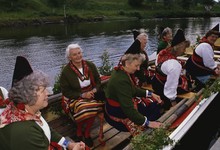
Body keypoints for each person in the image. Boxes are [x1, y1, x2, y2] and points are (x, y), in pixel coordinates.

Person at [0, 56, 85, 150]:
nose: (48, 93)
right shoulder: (25, 132)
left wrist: (68, 144)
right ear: (27, 95)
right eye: (43, 90)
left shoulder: (26, 111)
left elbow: (47, 130)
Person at [104, 44, 163, 136]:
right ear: (127, 63)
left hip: (119, 106)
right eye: (136, 65)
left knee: (153, 105)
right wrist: (148, 123)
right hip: (118, 111)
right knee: (153, 111)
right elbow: (128, 109)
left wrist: (150, 94)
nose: (138, 68)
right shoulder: (121, 80)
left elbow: (132, 90)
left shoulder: (121, 71)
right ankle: (148, 134)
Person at [60, 43, 105, 148]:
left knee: (95, 105)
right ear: (69, 57)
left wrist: (95, 89)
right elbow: (66, 91)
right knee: (84, 107)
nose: (78, 56)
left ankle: (86, 133)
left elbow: (98, 81)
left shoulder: (90, 65)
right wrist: (82, 95)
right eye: (74, 54)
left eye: (79, 53)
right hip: (75, 97)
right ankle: (80, 132)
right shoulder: (66, 72)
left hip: (92, 94)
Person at [152, 29, 191, 110]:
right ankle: (167, 104)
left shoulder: (162, 52)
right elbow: (171, 86)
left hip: (155, 82)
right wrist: (173, 101)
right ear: (178, 48)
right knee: (186, 80)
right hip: (163, 87)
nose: (184, 50)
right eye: (183, 48)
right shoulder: (174, 65)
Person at [185, 24, 220, 89]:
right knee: (214, 81)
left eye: (216, 37)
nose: (214, 38)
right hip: (198, 73)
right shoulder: (205, 46)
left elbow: (209, 61)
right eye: (212, 36)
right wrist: (216, 68)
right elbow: (208, 63)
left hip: (193, 69)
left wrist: (216, 66)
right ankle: (202, 86)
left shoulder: (205, 43)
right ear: (208, 36)